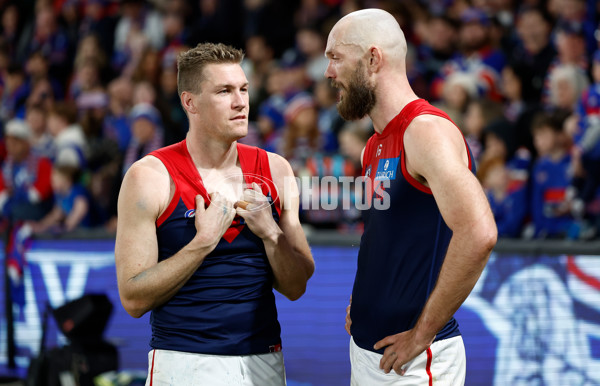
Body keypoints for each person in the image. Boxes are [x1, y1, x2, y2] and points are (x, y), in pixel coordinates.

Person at [114, 42, 314, 385]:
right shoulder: (149, 176)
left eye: (244, 89)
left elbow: (296, 286)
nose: (240, 102)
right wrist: (203, 242)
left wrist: (271, 234)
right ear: (190, 102)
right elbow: (133, 298)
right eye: (224, 91)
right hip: (182, 362)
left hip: (262, 360)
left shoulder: (277, 170)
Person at [324, 9, 497, 384]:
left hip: (415, 363)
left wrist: (423, 333)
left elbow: (479, 233)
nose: (328, 73)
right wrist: (367, 298)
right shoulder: (374, 145)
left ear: (373, 59)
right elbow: (389, 234)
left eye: (335, 57)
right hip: (370, 354)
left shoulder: (425, 132)